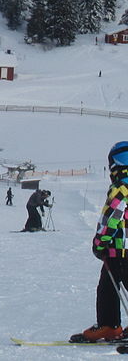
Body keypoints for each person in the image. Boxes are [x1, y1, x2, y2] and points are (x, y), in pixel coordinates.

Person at [69, 142, 128, 343]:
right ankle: (109, 326)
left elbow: (111, 217)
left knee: (108, 288)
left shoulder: (121, 188)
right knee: (109, 286)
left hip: (119, 250)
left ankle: (109, 325)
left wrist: (100, 242)